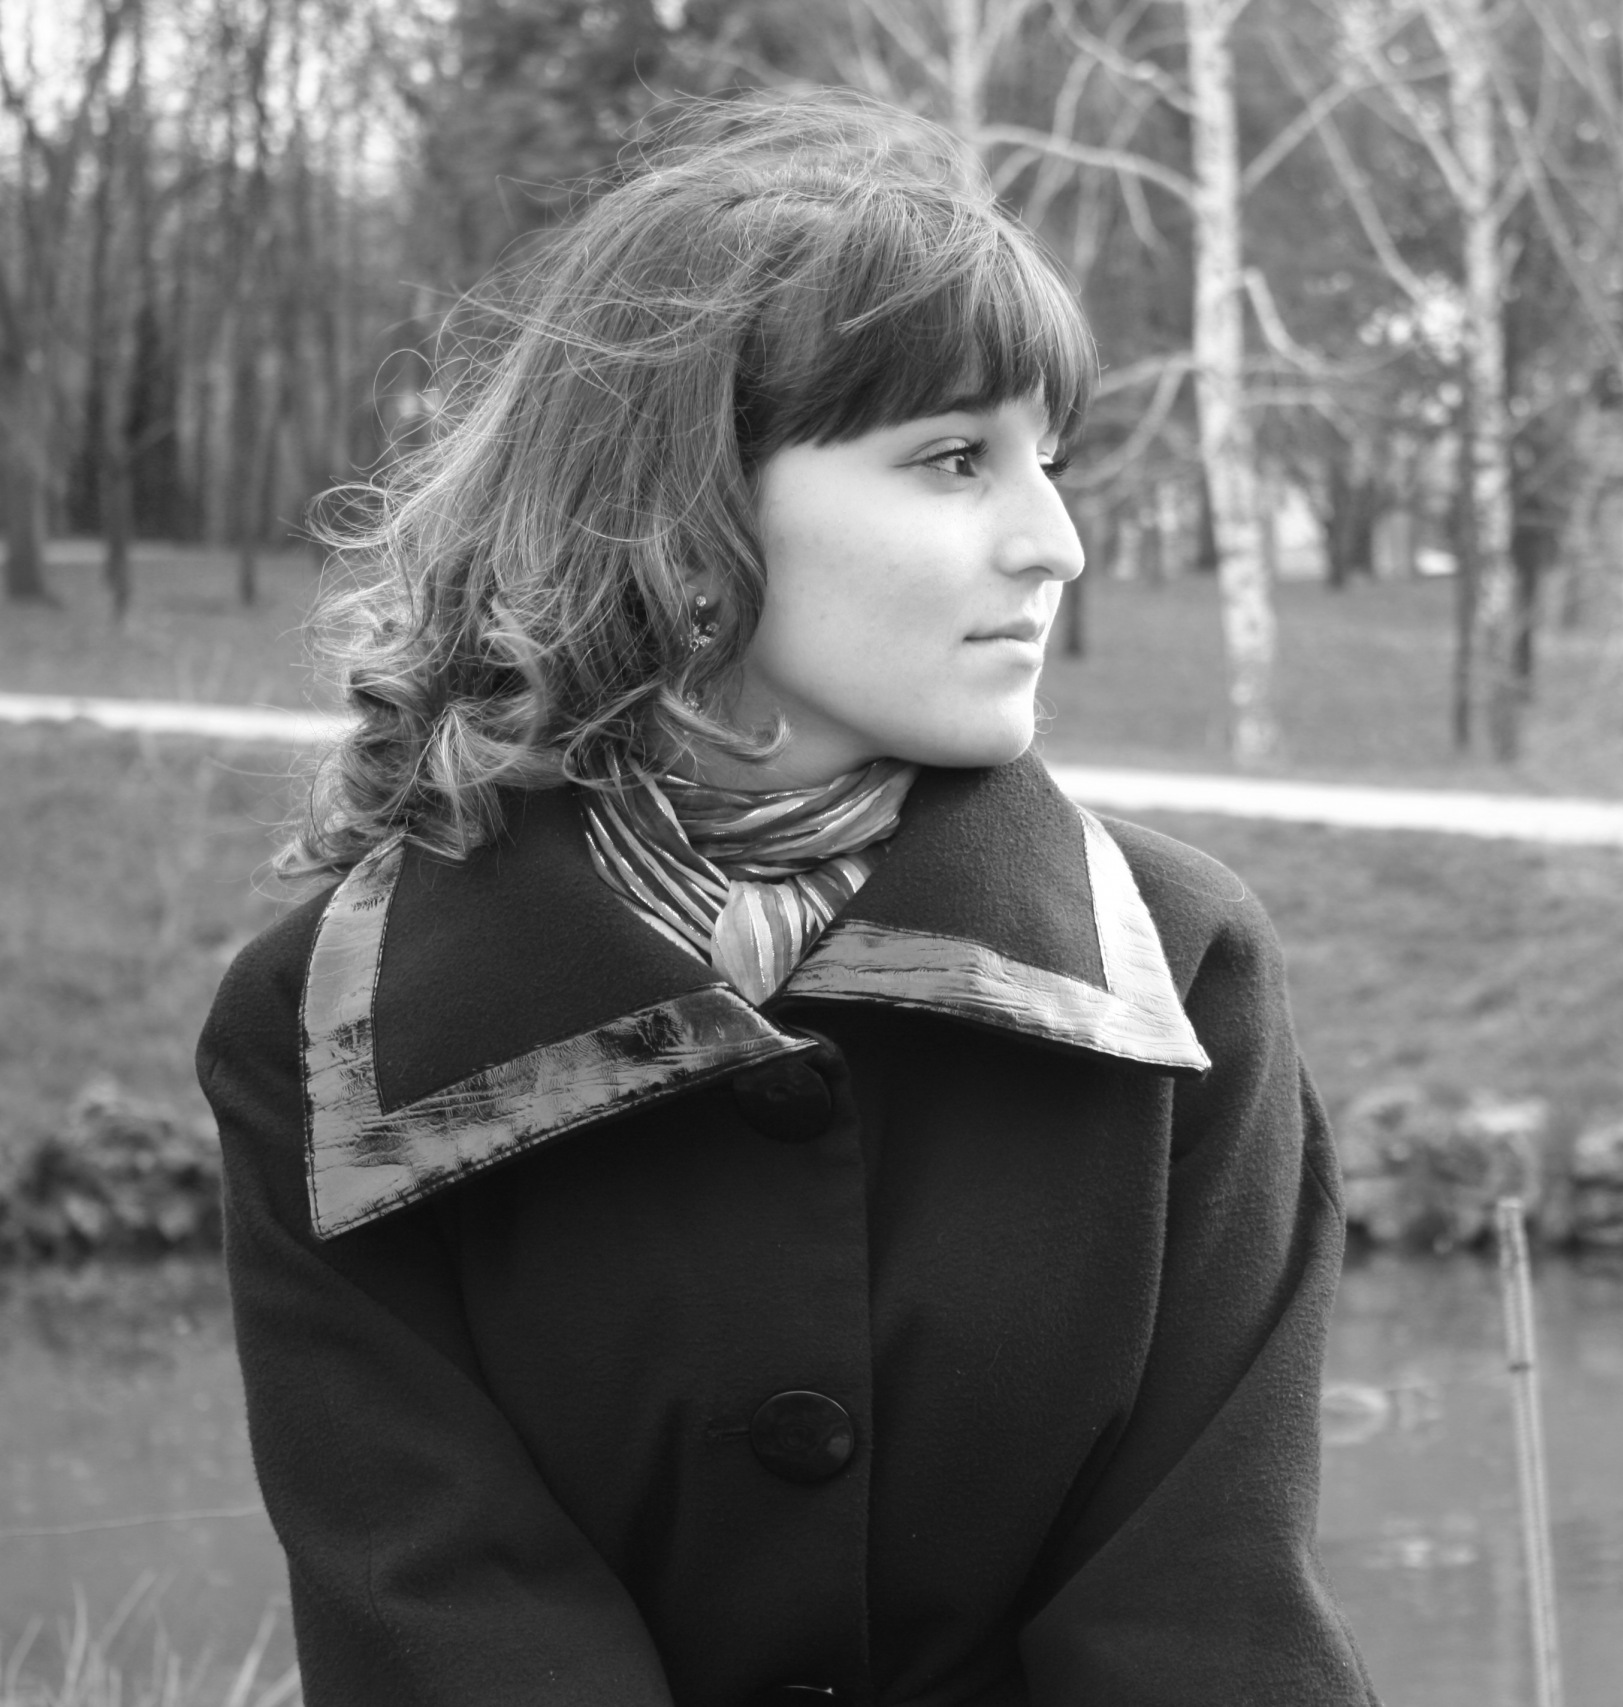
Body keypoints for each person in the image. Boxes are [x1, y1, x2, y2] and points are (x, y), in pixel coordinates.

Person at [196, 92, 1376, 1707]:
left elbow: (1206, 1618)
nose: (1056, 545)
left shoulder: (1178, 973)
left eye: (1048, 464)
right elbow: (447, 1622)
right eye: (954, 461)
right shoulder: (336, 1034)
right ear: (685, 512)